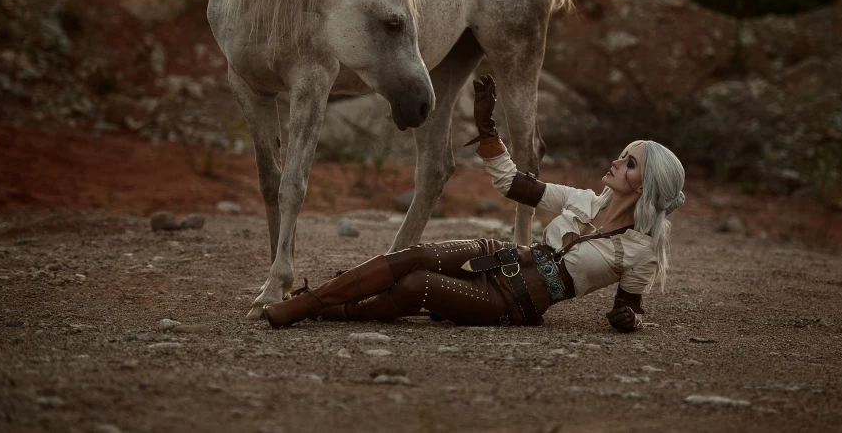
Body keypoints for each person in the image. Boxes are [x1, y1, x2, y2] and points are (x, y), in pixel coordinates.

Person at [262, 75, 685, 332]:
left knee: (417, 284)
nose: (617, 162)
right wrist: (487, 129)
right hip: (501, 256)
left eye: (630, 164)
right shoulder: (583, 201)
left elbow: (629, 312)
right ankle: (306, 303)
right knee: (417, 255)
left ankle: (338, 310)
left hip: (515, 303)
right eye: (623, 154)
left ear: (648, 186)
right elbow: (512, 183)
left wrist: (629, 321)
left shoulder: (641, 251)